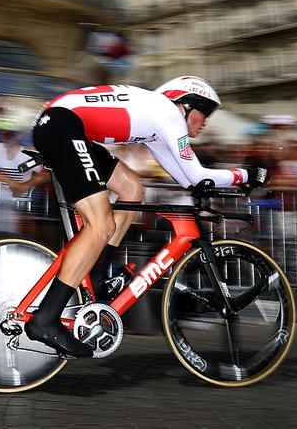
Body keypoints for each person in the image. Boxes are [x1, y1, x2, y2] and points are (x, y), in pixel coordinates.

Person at [23, 76, 267, 358]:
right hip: (62, 125)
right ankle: (46, 318)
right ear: (186, 105)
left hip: (64, 125)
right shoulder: (166, 112)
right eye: (206, 112)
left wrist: (230, 182)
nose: (207, 122)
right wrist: (247, 174)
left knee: (133, 188)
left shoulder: (157, 127)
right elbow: (199, 174)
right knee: (101, 224)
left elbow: (190, 180)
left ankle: (98, 274)